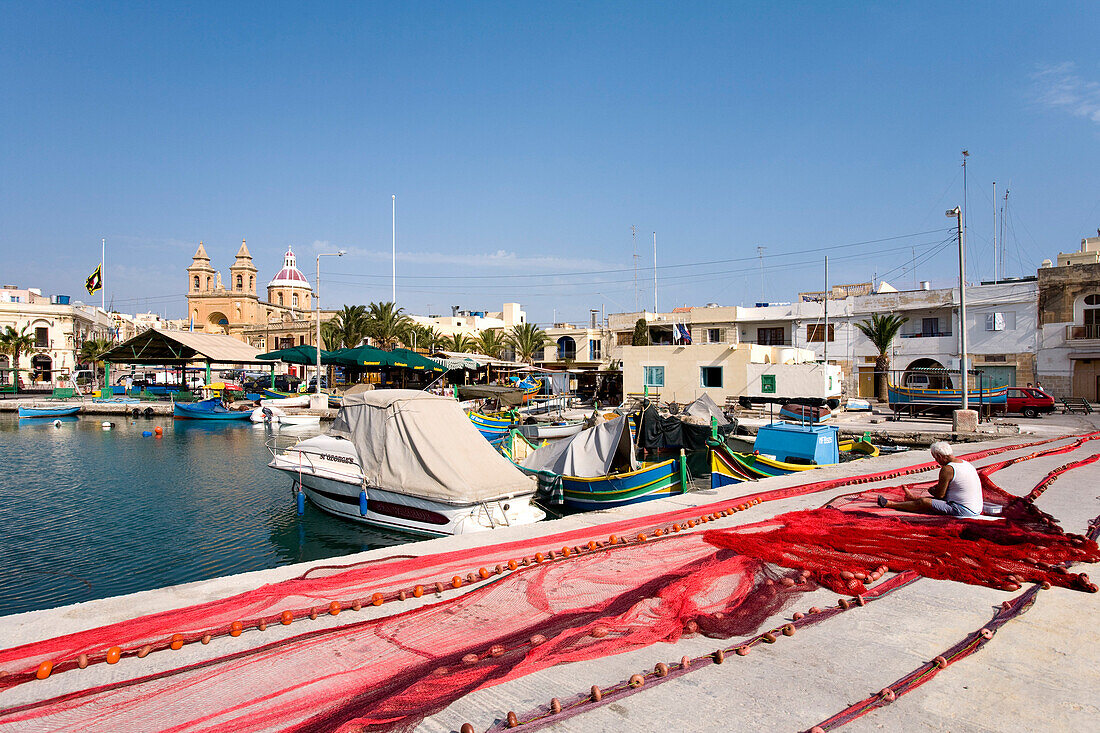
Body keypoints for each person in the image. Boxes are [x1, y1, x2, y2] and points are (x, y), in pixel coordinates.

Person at [877, 442, 982, 517]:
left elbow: (940, 496)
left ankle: (890, 504)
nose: (936, 461)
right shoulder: (965, 463)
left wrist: (932, 491)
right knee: (929, 501)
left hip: (963, 510)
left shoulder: (948, 469)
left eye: (936, 458)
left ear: (940, 456)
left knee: (924, 501)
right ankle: (912, 499)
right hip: (975, 508)